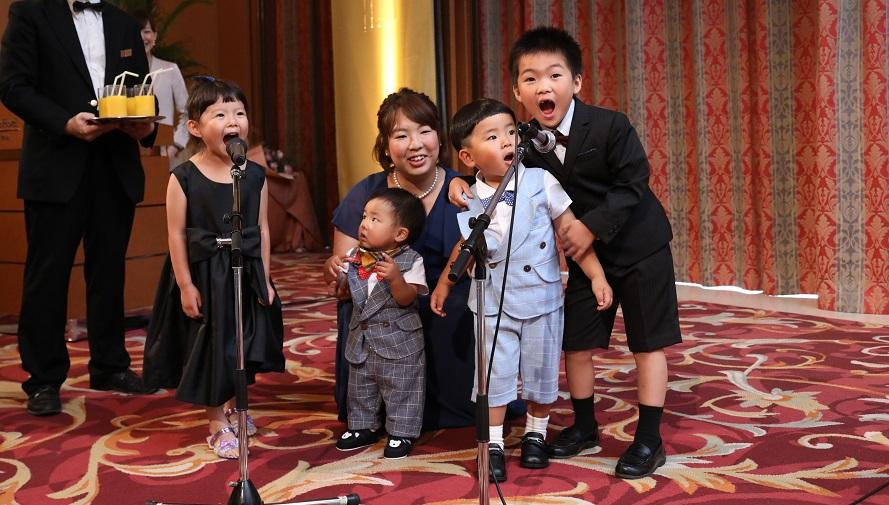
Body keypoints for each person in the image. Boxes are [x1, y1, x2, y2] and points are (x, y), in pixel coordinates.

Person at [449, 27, 683, 479]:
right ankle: (585, 426)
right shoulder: (520, 142)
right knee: (575, 344)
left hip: (640, 247)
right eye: (531, 78)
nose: (544, 86)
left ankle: (649, 439)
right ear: (517, 91)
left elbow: (633, 182)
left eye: (554, 75)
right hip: (585, 256)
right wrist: (457, 182)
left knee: (646, 344)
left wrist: (589, 228)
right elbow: (490, 172)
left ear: (575, 82)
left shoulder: (610, 125)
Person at [431, 98, 612, 482]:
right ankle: (493, 443)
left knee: (541, 371)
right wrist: (446, 283)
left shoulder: (541, 181)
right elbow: (464, 246)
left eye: (511, 132)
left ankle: (535, 433)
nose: (506, 141)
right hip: (492, 299)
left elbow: (570, 232)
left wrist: (596, 275)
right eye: (492, 136)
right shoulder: (469, 195)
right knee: (493, 375)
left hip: (541, 297)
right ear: (468, 156)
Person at [0, 0, 159, 417]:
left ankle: (110, 366)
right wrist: (64, 122)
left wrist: (145, 127)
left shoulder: (123, 23)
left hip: (115, 165)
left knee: (109, 271)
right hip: (55, 164)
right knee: (47, 275)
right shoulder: (30, 13)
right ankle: (44, 378)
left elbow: (139, 90)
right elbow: (13, 86)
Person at [324, 88, 487, 433]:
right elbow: (343, 275)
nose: (415, 144)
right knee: (358, 307)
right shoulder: (366, 193)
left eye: (424, 131)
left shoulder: (463, 189)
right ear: (385, 146)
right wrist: (337, 271)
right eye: (401, 135)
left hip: (443, 297)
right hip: (384, 302)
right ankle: (371, 407)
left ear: (439, 138)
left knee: (462, 301)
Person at [142, 77, 285, 459]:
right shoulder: (184, 177)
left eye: (239, 112)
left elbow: (262, 228)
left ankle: (236, 404)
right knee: (212, 347)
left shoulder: (254, 175)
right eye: (220, 114)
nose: (233, 121)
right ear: (195, 127)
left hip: (244, 270)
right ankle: (215, 420)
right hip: (205, 274)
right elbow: (176, 234)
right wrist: (185, 285)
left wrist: (264, 276)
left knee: (242, 341)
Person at [326, 187, 428, 459]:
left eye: (375, 219)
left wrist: (396, 278)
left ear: (400, 234)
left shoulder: (411, 260)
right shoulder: (355, 255)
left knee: (401, 388)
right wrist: (332, 268)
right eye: (364, 216)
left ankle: (401, 431)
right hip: (362, 339)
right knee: (361, 385)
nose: (364, 224)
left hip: (399, 342)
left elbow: (407, 299)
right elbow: (339, 287)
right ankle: (363, 426)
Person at [133, 10, 189, 163]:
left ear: (155, 36)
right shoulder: (121, 72)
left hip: (165, 153)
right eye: (136, 31)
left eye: (147, 31)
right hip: (129, 154)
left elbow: (188, 112)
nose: (142, 37)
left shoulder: (169, 69)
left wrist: (176, 145)